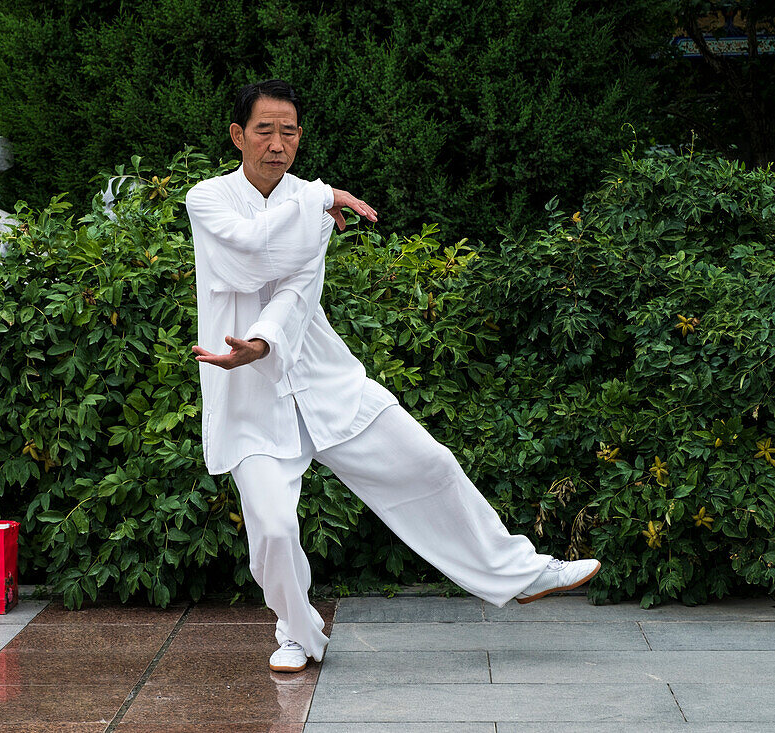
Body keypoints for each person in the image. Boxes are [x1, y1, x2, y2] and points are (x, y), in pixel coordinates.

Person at [184, 79, 600, 674]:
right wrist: (320, 201)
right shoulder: (211, 199)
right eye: (264, 130)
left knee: (431, 463)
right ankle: (297, 630)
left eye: (289, 132)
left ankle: (523, 572)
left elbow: (299, 289)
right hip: (247, 391)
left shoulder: (313, 203)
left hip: (323, 377)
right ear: (237, 135)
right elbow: (248, 255)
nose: (278, 144)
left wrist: (263, 340)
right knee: (273, 530)